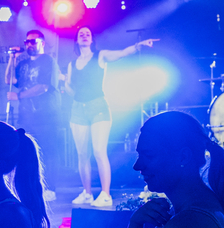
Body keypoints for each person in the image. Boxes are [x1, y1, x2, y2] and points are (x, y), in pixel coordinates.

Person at [64, 27, 158, 208]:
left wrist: (138, 45)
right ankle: (87, 193)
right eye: (81, 34)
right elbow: (70, 88)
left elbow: (121, 53)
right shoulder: (72, 64)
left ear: (92, 39)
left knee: (99, 151)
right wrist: (65, 84)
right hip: (78, 109)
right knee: (82, 154)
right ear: (77, 40)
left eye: (88, 34)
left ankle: (105, 194)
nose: (84, 35)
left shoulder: (100, 56)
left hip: (98, 107)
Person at [5, 30, 61, 200]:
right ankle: (29, 187)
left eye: (33, 41)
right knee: (26, 152)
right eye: (27, 41)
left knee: (47, 152)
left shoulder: (48, 61)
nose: (29, 44)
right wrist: (12, 58)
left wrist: (19, 96)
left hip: (46, 116)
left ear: (42, 43)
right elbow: (9, 80)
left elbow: (43, 87)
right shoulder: (22, 64)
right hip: (26, 117)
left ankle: (50, 188)